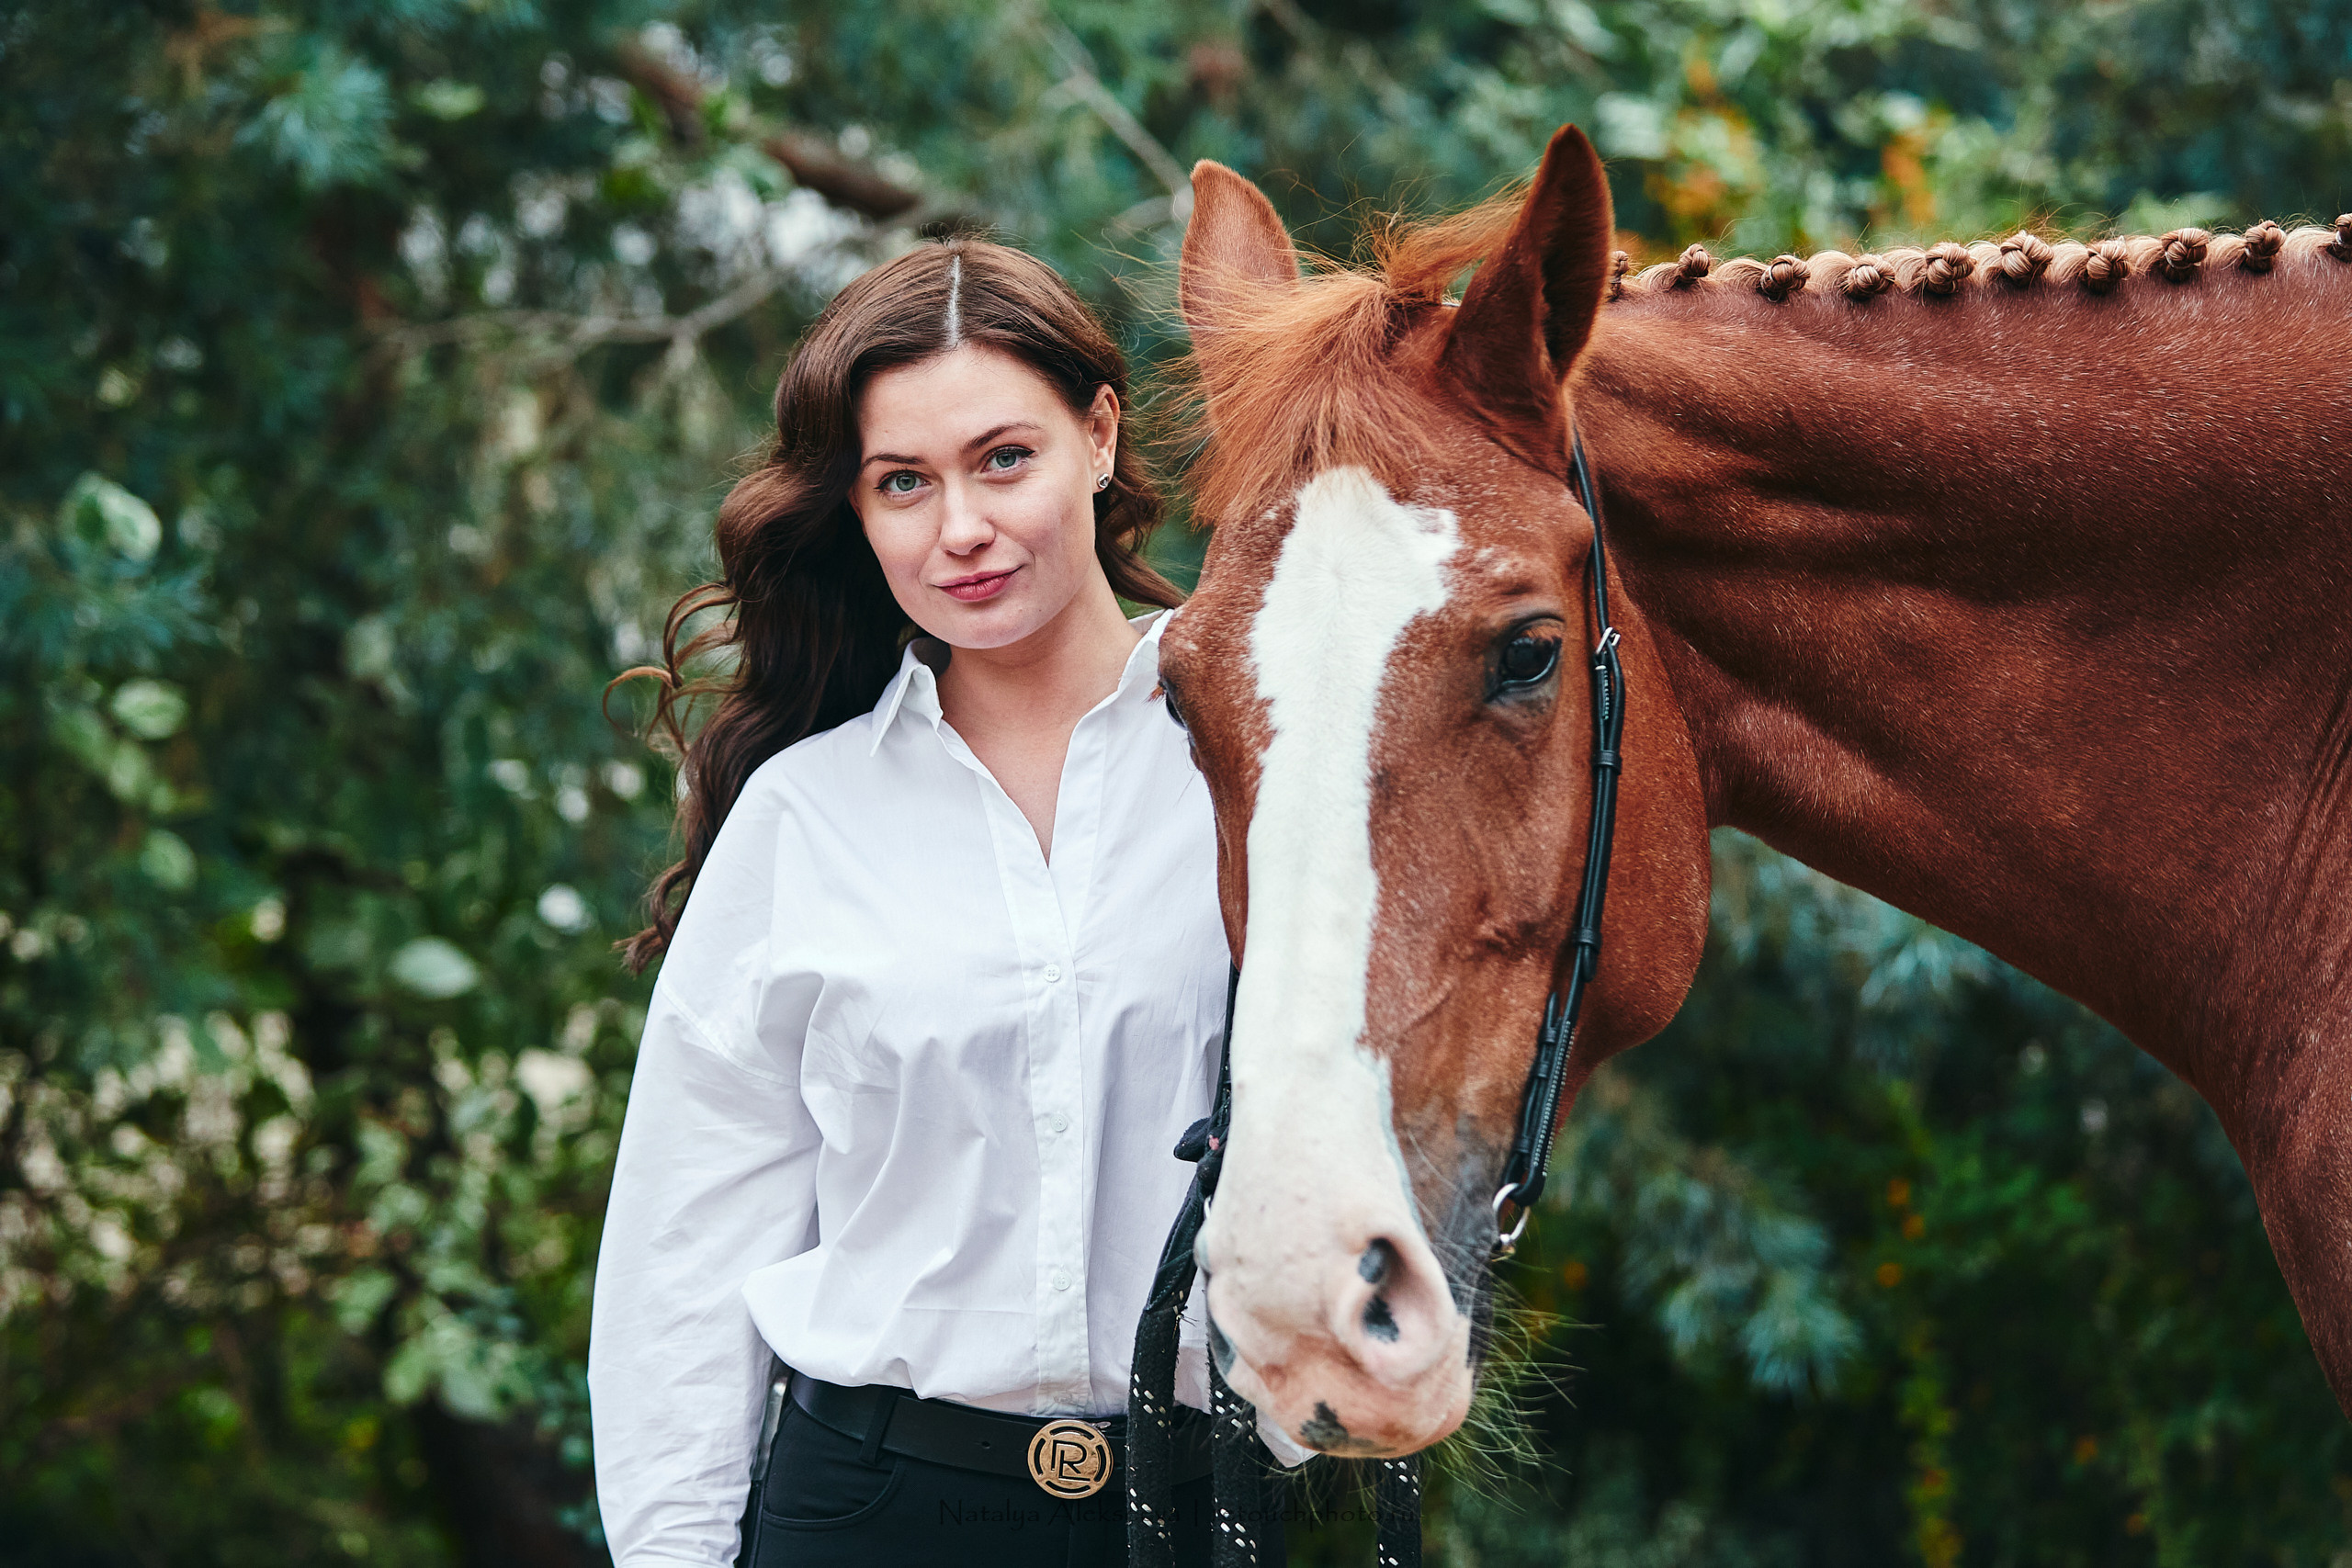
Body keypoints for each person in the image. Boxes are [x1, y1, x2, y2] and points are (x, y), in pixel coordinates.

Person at [587, 237, 1296, 1568]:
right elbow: (687, 1256)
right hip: (866, 1511)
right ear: (856, 512)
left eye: (1002, 459)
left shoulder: (1271, 759)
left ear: (1098, 434)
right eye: (903, 482)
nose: (958, 528)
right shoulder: (804, 820)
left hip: (1192, 1512)